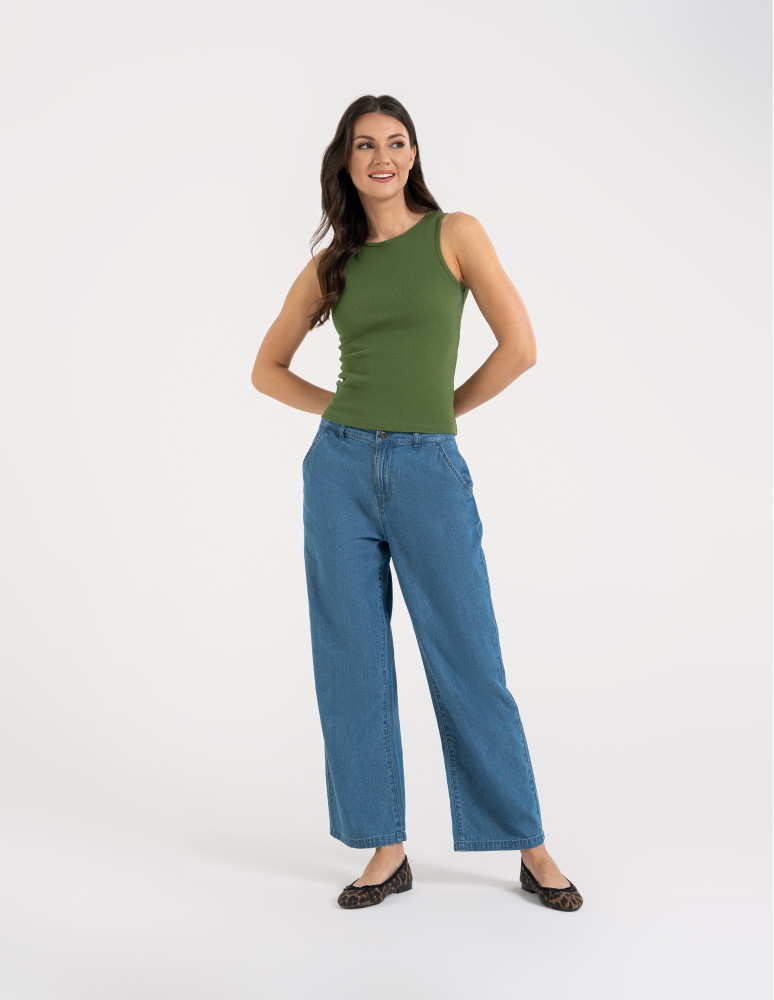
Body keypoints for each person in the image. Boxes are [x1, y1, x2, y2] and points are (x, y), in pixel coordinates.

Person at [251, 94, 583, 913]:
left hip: (429, 470)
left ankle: (530, 844)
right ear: (346, 161)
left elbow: (521, 348)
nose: (383, 157)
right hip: (337, 474)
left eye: (397, 142)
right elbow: (266, 369)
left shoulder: (455, 235)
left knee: (469, 656)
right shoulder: (332, 265)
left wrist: (441, 413)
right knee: (351, 662)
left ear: (413, 155)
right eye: (366, 145)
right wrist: (342, 411)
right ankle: (386, 849)